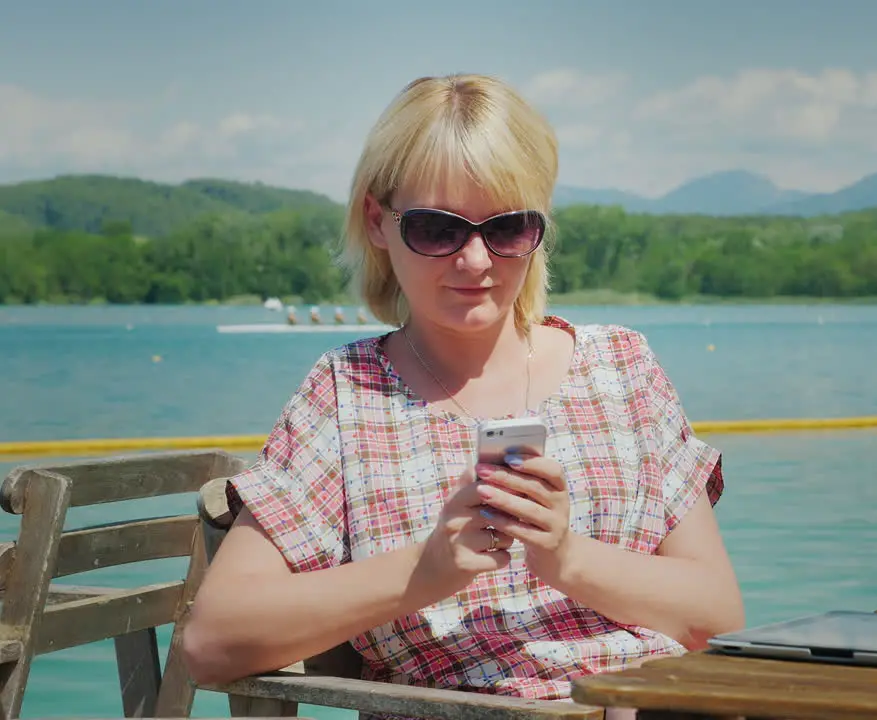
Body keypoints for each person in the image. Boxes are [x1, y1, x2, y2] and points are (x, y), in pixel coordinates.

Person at [181, 74, 745, 717]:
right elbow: (212, 641)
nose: (476, 261)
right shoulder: (348, 395)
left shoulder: (622, 368)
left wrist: (567, 557)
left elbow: (716, 616)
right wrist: (424, 573)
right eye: (435, 228)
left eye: (506, 229)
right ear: (377, 222)